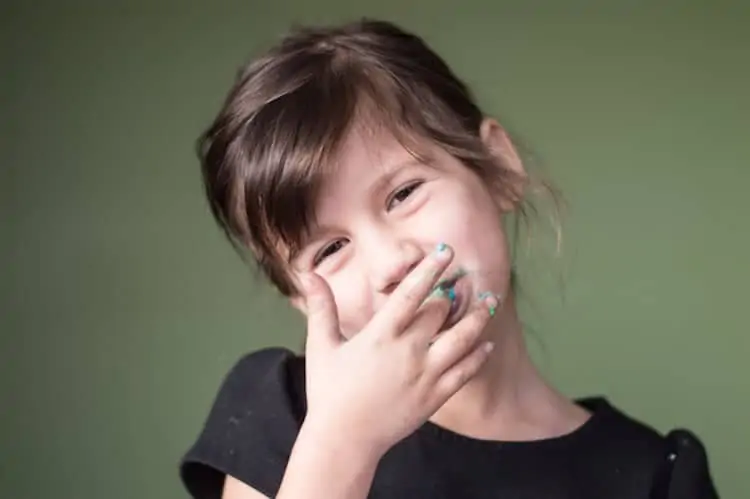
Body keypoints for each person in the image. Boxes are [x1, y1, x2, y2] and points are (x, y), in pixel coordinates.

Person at [179, 19, 718, 499]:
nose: (393, 262)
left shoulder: (655, 476)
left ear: (498, 167)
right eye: (331, 249)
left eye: (404, 193)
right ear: (299, 297)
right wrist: (344, 442)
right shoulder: (284, 414)